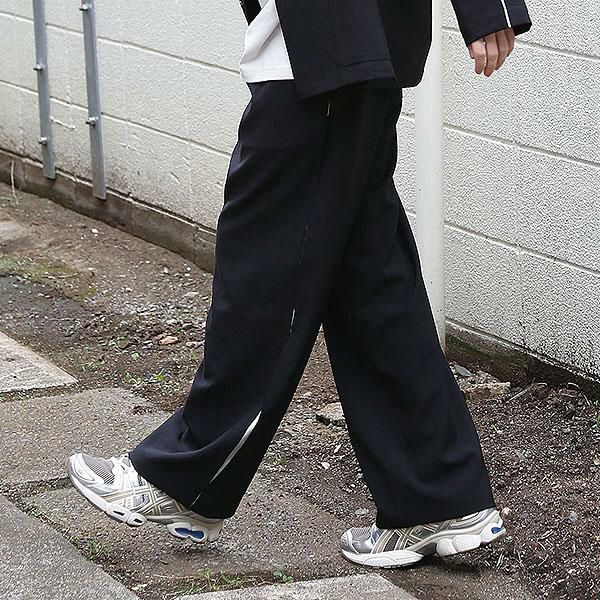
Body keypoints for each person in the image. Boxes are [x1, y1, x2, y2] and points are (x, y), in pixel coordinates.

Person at [67, 0, 531, 568]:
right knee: (372, 287)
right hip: (345, 54)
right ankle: (436, 496)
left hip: (321, 59)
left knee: (265, 274)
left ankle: (182, 479)